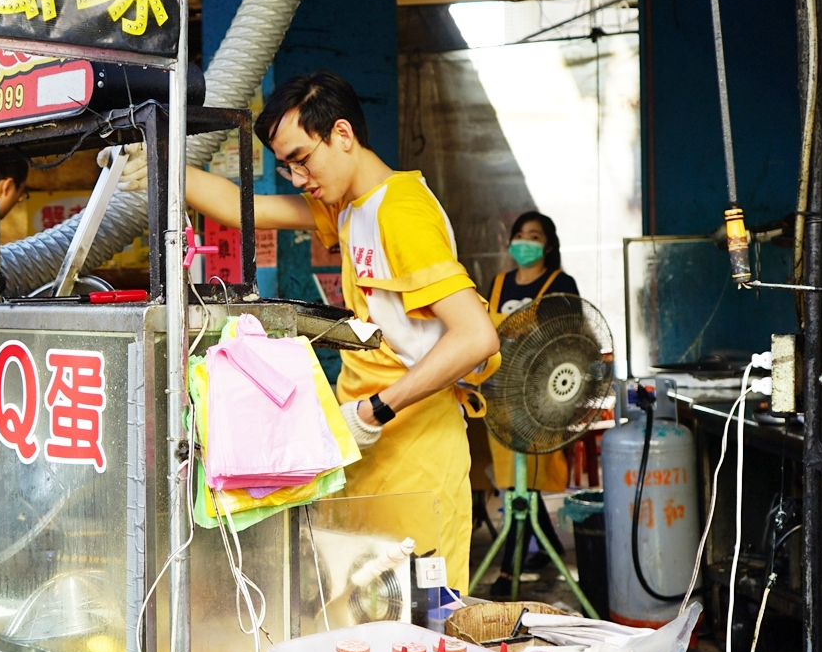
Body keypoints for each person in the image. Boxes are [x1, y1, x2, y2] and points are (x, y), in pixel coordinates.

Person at [170, 71, 497, 585]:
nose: (297, 178)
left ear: (342, 134)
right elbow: (241, 209)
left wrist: (374, 410)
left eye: (301, 159)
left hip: (415, 446)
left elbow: (476, 337)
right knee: (361, 616)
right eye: (287, 166)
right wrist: (161, 165)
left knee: (415, 625)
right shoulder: (350, 207)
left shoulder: (401, 213)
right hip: (365, 440)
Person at [484, 210, 582, 495]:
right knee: (509, 475)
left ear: (548, 246)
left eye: (534, 237)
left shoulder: (561, 284)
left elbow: (571, 337)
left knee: (538, 473)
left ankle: (532, 528)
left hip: (542, 395)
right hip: (500, 392)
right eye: (519, 235)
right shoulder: (499, 283)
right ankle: (519, 527)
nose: (524, 241)